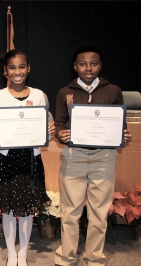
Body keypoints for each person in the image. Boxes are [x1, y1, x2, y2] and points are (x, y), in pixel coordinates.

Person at [54, 42, 132, 266]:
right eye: (83, 64)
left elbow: (121, 125)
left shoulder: (113, 91)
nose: (88, 68)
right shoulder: (64, 93)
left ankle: (94, 258)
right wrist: (62, 135)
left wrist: (122, 135)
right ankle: (66, 257)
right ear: (75, 66)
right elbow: (59, 124)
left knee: (99, 213)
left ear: (100, 66)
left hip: (104, 158)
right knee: (70, 212)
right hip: (74, 157)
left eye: (94, 64)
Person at [0, 49, 55, 266]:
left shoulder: (38, 95)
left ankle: (23, 253)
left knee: (26, 209)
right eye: (12, 68)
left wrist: (49, 130)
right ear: (5, 71)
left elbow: (46, 126)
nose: (18, 72)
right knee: (7, 209)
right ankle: (11, 253)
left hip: (31, 158)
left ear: (29, 68)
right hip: (6, 158)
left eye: (22, 67)